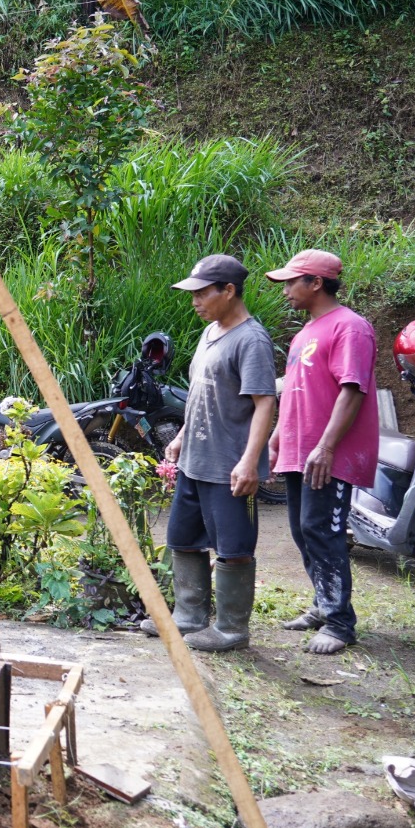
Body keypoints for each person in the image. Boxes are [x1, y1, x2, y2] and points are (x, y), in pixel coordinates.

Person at [141, 255, 276, 652]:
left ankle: (232, 628)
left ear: (229, 290)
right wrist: (182, 436)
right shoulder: (210, 333)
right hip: (195, 460)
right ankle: (189, 616)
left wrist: (249, 461)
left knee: (233, 548)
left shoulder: (251, 340)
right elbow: (203, 394)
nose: (195, 301)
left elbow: (264, 403)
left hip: (228, 464)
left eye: (202, 293)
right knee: (182, 538)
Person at [266, 249, 378, 655]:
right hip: (300, 450)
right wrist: (277, 438)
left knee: (322, 531)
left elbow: (353, 391)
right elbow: (297, 394)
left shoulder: (351, 327)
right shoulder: (304, 334)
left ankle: (339, 623)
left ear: (316, 282)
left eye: (291, 282)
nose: (285, 291)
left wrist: (327, 446)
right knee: (303, 530)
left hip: (330, 455)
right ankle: (323, 604)